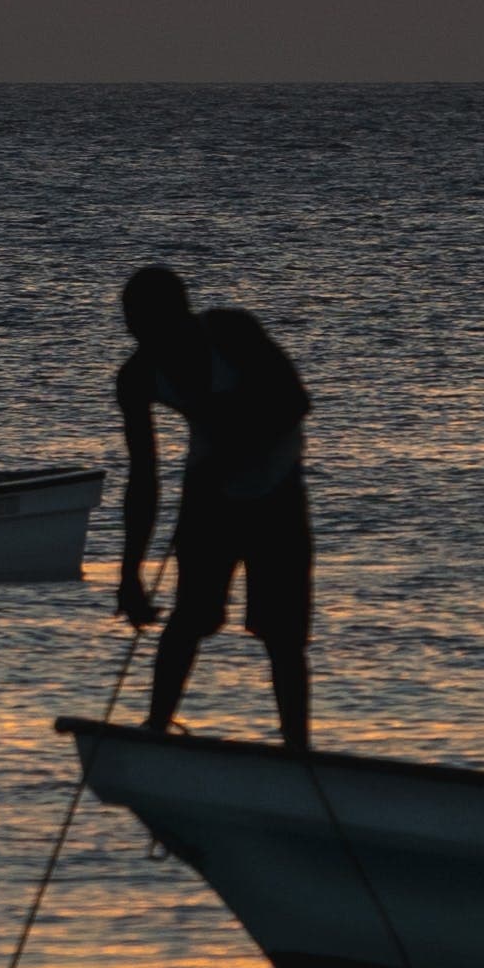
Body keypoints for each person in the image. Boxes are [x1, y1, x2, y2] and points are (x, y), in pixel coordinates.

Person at [115, 264, 313, 747]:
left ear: (182, 316)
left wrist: (232, 450)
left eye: (154, 327)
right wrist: (129, 572)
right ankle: (157, 728)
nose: (148, 341)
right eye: (137, 329)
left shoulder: (232, 331)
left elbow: (295, 402)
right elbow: (144, 479)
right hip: (210, 494)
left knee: (282, 634)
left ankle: (298, 749)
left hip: (277, 490)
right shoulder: (137, 377)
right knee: (191, 618)